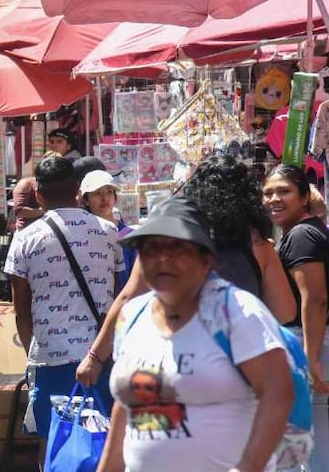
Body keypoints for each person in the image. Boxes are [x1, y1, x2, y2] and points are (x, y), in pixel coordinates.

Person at [83, 197, 292, 472]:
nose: (161, 259)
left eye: (175, 248)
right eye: (150, 249)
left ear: (205, 259)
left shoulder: (236, 313)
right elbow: (133, 401)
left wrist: (249, 469)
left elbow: (277, 391)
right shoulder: (134, 315)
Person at [78, 155, 297, 387]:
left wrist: (95, 357)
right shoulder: (259, 245)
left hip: (175, 364)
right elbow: (284, 311)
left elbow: (126, 298)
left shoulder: (164, 241)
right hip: (241, 369)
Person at [3, 155, 124, 472]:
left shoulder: (26, 238)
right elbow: (121, 297)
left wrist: (31, 350)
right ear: (78, 190)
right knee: (103, 432)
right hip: (103, 353)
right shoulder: (109, 232)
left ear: (38, 192)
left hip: (51, 354)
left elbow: (20, 308)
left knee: (55, 436)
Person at [262, 165, 329, 472]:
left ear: (304, 196)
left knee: (298, 445)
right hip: (312, 346)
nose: (273, 199)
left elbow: (314, 300)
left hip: (311, 346)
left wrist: (309, 357)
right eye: (268, 192)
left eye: (283, 191)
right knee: (313, 448)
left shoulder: (303, 235)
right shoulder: (304, 231)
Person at [79, 169, 135, 289]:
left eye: (109, 192)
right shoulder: (81, 237)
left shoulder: (129, 236)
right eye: (97, 193)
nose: (104, 198)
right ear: (86, 200)